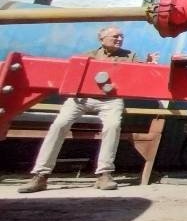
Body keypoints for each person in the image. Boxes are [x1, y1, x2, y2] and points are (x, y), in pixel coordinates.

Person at [17, 25, 159, 194]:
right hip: (81, 98)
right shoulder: (87, 56)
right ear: (102, 39)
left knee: (112, 126)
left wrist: (149, 64)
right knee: (59, 125)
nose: (120, 39)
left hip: (110, 100)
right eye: (115, 36)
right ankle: (40, 175)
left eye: (121, 36)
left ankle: (104, 174)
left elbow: (141, 75)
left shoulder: (130, 56)